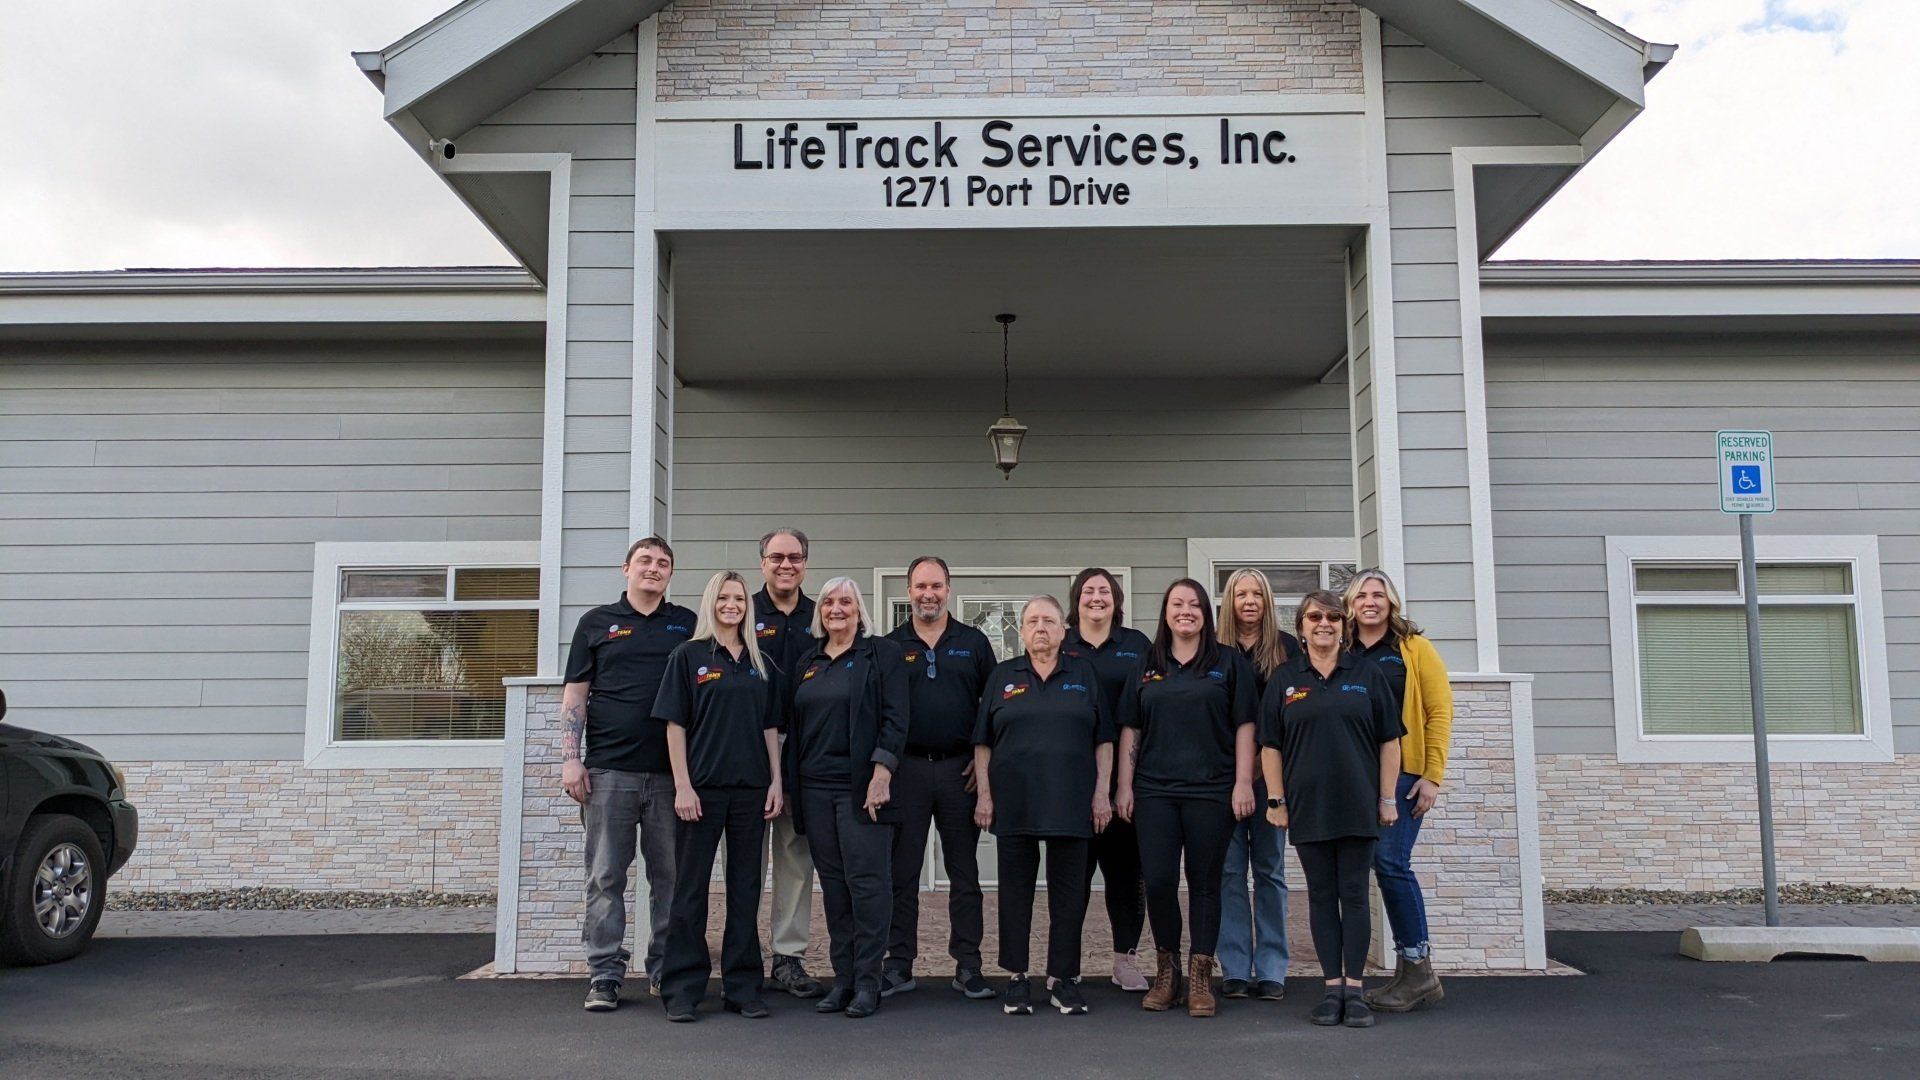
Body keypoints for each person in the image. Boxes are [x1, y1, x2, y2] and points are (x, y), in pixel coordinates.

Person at [561, 536, 695, 1011]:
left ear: (670, 574)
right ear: (626, 568)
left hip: (670, 777)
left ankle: (664, 969)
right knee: (605, 877)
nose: (653, 568)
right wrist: (570, 757)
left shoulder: (687, 625)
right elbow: (576, 695)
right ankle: (604, 974)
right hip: (608, 772)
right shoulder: (595, 623)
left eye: (663, 563)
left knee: (672, 879)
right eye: (645, 561)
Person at [1259, 590, 1403, 1029]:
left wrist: (1387, 798)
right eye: (1315, 617)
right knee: (1322, 897)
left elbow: (1389, 741)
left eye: (1334, 618)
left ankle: (1355, 991)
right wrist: (1277, 800)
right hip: (1308, 807)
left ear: (1345, 626)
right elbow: (1270, 746)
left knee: (1355, 895)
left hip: (1359, 805)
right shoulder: (1284, 679)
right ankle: (1331, 988)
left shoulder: (1367, 674)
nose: (1325, 624)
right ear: (1301, 627)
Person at [1115, 578, 1258, 1018]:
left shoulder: (1228, 664)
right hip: (1154, 791)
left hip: (1212, 790)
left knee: (1205, 883)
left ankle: (1200, 978)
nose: (1186, 611)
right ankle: (1167, 971)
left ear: (1206, 614)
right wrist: (1124, 784)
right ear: (1165, 611)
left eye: (1194, 605)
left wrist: (1243, 782)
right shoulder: (1146, 662)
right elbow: (1130, 728)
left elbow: (1246, 727)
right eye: (1177, 604)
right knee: (1157, 881)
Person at [973, 595, 1113, 1018]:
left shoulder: (1083, 673)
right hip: (1014, 803)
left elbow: (1104, 739)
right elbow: (983, 743)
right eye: (1032, 621)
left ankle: (1063, 978)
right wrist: (984, 795)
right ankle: (1017, 977)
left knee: (1069, 896)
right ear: (1021, 629)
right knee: (1015, 894)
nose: (1040, 628)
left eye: (1049, 621)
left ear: (1063, 629)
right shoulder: (1003, 675)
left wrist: (1102, 792)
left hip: (1072, 802)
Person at [655, 571, 785, 1022]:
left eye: (738, 598)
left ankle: (743, 986)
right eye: (724, 597)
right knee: (690, 892)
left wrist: (776, 781)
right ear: (711, 602)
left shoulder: (759, 660)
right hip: (702, 792)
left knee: (746, 891)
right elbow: (675, 726)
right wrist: (684, 785)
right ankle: (683, 989)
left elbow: (771, 727)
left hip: (751, 791)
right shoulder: (688, 656)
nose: (732, 605)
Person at [784, 577, 909, 1019]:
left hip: (861, 791)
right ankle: (843, 979)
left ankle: (868, 982)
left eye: (847, 602)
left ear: (860, 610)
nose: (837, 609)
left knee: (867, 886)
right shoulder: (808, 660)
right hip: (814, 791)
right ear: (821, 612)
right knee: (835, 888)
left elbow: (897, 717)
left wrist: (882, 772)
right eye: (830, 602)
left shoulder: (881, 655)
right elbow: (794, 729)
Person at [882, 556, 997, 1000]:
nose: (928, 594)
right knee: (902, 872)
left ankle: (968, 965)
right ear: (908, 591)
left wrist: (982, 759)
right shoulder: (891, 646)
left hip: (959, 772)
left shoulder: (974, 642)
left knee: (965, 874)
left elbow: (992, 706)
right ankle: (898, 963)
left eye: (936, 586)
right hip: (906, 770)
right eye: (919, 586)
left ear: (948, 588)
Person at [1345, 569, 1453, 1013]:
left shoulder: (1413, 649)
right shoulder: (1344, 649)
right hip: (1352, 774)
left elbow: (1438, 711)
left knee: (1391, 862)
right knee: (1366, 865)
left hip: (1405, 774)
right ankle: (1406, 973)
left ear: (1392, 602)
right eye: (1361, 595)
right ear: (1350, 604)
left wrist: (1432, 775)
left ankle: (1417, 967)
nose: (1370, 601)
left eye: (1378, 594)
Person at [1062, 567, 1154, 993]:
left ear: (1117, 600)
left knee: (1125, 875)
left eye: (1104, 591)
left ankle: (1125, 960)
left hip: (1127, 781)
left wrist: (1126, 785)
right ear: (1076, 599)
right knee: (1072, 877)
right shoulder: (1062, 645)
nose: (1096, 597)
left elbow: (1149, 709)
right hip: (1069, 781)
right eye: (1088, 591)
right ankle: (1066, 964)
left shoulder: (1136, 646)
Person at [1215, 568, 1299, 1002]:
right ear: (1229, 601)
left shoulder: (1287, 648)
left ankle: (1270, 968)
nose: (1249, 601)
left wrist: (1268, 777)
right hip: (1223, 781)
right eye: (1240, 594)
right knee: (1229, 874)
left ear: (1268, 601)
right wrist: (1234, 778)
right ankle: (1233, 967)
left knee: (1269, 872)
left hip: (1273, 780)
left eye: (1257, 594)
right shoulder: (1214, 649)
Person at [752, 527, 826, 999]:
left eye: (795, 557)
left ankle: (788, 956)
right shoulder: (741, 609)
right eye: (777, 557)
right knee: (746, 859)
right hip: (745, 749)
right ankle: (742, 954)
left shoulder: (820, 616)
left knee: (796, 858)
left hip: (803, 749)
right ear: (762, 562)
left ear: (805, 562)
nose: (786, 564)